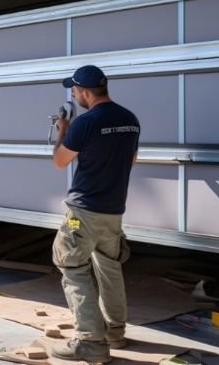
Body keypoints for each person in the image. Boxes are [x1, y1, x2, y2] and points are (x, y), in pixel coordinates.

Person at [50, 64, 140, 363]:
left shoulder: (84, 123)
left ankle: (90, 343)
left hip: (84, 211)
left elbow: (60, 162)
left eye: (75, 91)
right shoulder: (130, 119)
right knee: (110, 268)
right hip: (114, 210)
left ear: (85, 92)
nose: (74, 96)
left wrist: (63, 131)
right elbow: (132, 159)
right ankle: (115, 333)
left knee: (73, 268)